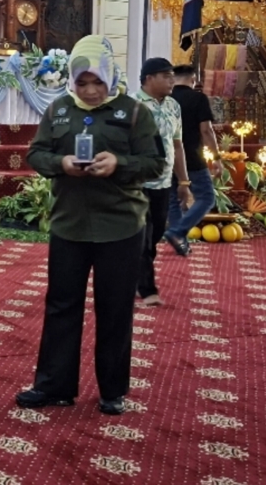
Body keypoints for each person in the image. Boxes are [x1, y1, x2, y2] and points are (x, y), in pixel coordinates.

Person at [17, 36, 162, 416]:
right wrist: (61, 164)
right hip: (70, 224)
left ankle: (112, 390)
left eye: (97, 81)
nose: (91, 90)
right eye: (82, 82)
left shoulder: (134, 112)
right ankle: (55, 386)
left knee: (115, 309)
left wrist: (119, 164)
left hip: (121, 226)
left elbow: (154, 163)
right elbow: (36, 153)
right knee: (61, 306)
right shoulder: (59, 110)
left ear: (110, 76)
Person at [133, 57, 193, 307]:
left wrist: (184, 182)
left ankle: (132, 276)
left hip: (164, 183)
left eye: (172, 76)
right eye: (166, 76)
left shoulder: (173, 106)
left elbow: (177, 145)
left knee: (155, 233)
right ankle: (147, 289)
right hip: (137, 184)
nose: (172, 81)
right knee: (142, 237)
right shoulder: (133, 106)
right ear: (149, 78)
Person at [164, 64, 220, 255]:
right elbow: (206, 130)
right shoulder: (198, 98)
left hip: (169, 156)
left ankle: (181, 242)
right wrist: (216, 157)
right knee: (206, 197)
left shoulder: (166, 98)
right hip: (192, 157)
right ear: (193, 79)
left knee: (173, 199)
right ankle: (178, 231)